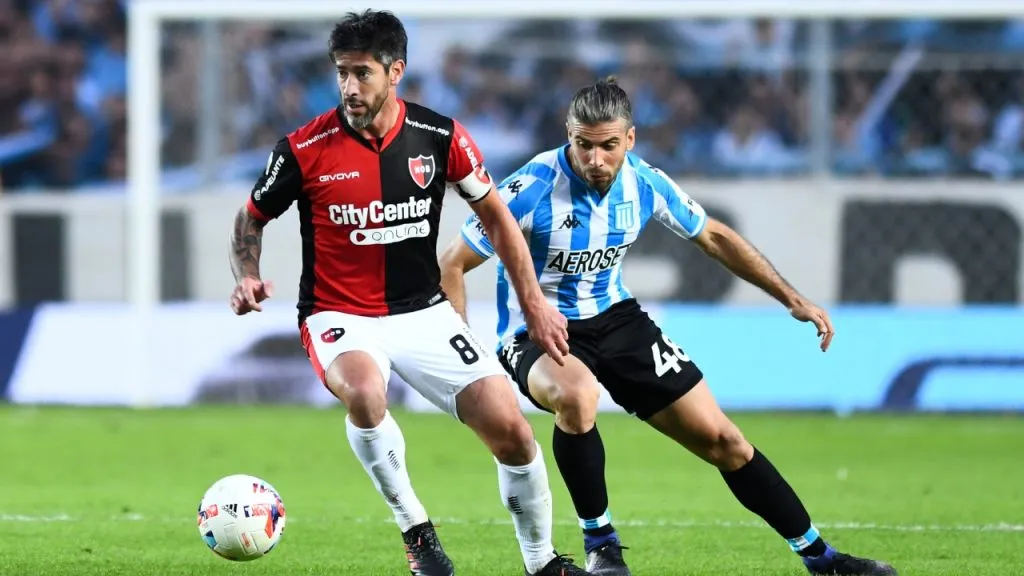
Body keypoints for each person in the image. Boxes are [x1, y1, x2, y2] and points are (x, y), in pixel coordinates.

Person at [439, 77, 898, 576]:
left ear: (630, 140)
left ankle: (821, 558)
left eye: (609, 146)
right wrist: (466, 362)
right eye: (584, 145)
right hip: (534, 330)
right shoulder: (529, 188)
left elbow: (715, 238)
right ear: (568, 136)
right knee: (576, 395)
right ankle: (603, 546)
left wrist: (791, 297)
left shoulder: (645, 182)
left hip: (618, 320)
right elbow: (453, 264)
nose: (595, 159)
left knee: (726, 441)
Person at [227, 10, 593, 576]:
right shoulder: (303, 148)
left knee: (514, 433)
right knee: (367, 395)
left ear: (395, 71)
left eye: (362, 73)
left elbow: (499, 222)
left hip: (423, 312)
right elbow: (249, 220)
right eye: (342, 73)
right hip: (338, 311)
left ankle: (542, 562)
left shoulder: (440, 137)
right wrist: (246, 275)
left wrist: (536, 304)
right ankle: (417, 533)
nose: (350, 87)